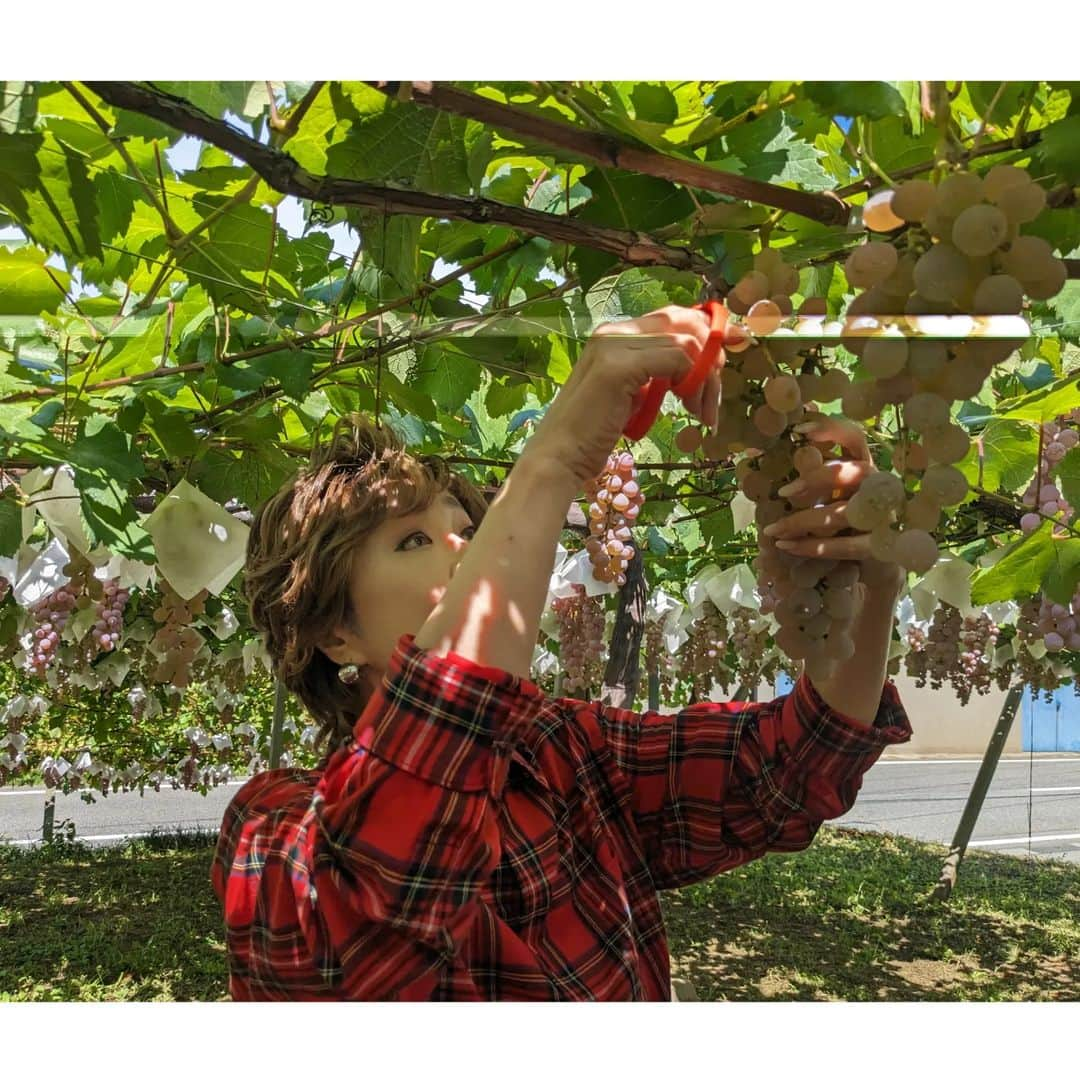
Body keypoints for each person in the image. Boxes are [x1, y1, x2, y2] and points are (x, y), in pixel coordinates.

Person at [212, 304, 911, 1001]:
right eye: (414, 540)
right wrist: (550, 464)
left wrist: (870, 580)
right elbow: (381, 895)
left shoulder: (566, 751)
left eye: (469, 529)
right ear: (333, 633)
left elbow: (793, 764)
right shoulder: (272, 828)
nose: (470, 546)